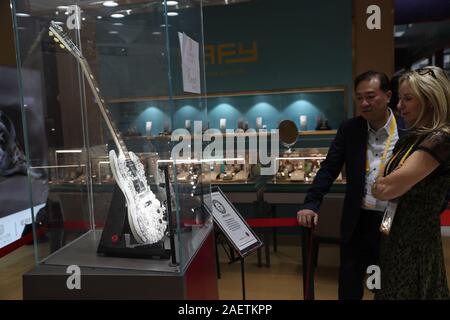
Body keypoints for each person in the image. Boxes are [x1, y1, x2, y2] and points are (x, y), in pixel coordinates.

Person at [297, 70, 405, 300]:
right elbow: (329, 168)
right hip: (357, 220)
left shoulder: (406, 131)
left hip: (392, 220)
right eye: (359, 98)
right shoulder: (350, 129)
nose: (364, 103)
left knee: (384, 285)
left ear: (387, 96)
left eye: (370, 96)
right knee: (349, 283)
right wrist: (311, 203)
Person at [371, 66, 450, 299]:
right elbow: (384, 183)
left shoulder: (441, 139)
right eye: (400, 98)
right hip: (395, 236)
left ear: (430, 101)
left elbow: (384, 187)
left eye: (407, 99)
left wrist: (382, 184)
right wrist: (384, 183)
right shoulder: (411, 139)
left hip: (416, 242)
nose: (399, 106)